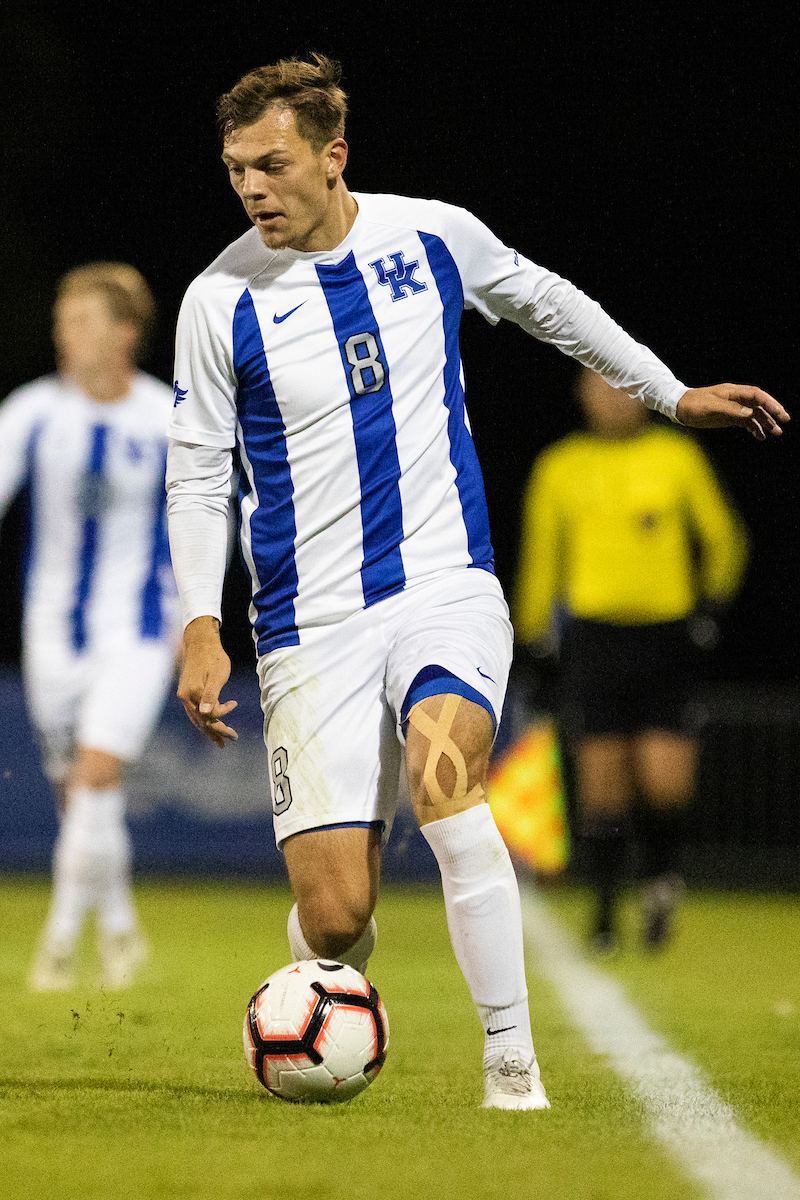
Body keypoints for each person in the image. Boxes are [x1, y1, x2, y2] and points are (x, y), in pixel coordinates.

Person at [164, 53, 787, 1110]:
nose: (251, 188)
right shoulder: (218, 300)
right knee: (335, 920)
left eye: (271, 165)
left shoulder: (431, 238)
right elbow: (195, 473)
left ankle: (511, 1064)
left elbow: (548, 303)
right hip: (307, 624)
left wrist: (670, 393)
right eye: (235, 170)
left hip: (442, 587)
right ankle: (320, 985)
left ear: (333, 155)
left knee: (447, 789)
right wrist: (199, 620)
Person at [513, 367, 749, 952]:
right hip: (594, 640)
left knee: (665, 781)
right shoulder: (559, 465)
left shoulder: (676, 456)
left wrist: (710, 607)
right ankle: (604, 914)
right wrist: (534, 639)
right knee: (602, 783)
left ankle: (661, 880)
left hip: (665, 637)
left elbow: (725, 540)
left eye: (623, 387)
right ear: (582, 394)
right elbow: (541, 558)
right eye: (601, 387)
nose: (613, 399)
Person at [0, 263, 181, 991]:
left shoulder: (168, 417)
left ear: (125, 333)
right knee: (80, 797)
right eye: (61, 321)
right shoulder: (32, 413)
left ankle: (57, 946)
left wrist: (197, 615)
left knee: (97, 771)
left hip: (140, 628)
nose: (63, 335)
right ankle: (120, 927)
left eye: (80, 321)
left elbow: (212, 517)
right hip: (51, 634)